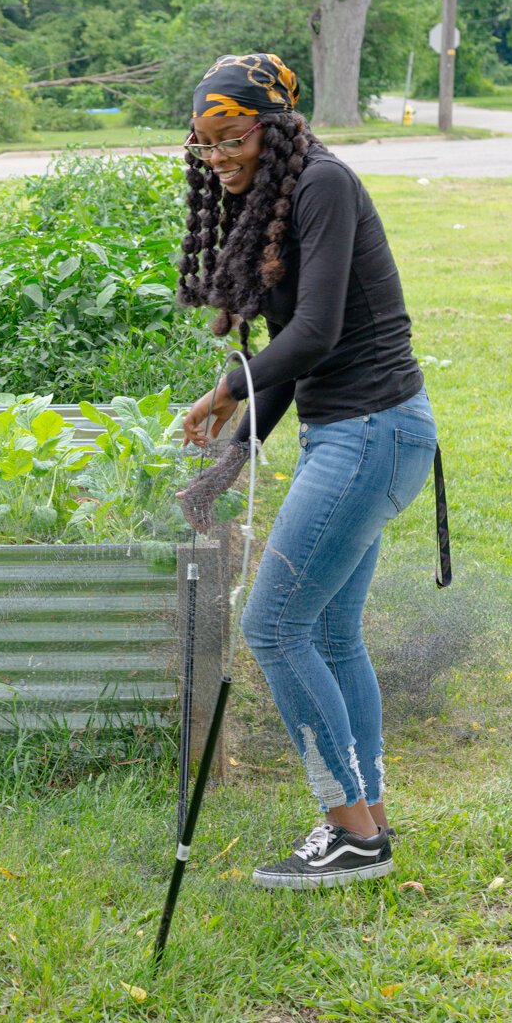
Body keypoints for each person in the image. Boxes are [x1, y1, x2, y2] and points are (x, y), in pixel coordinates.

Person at [173, 54, 438, 890]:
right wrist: (232, 458)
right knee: (326, 632)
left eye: (234, 134)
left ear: (275, 124)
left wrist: (224, 388)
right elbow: (290, 365)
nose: (218, 155)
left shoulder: (324, 184)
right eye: (205, 140)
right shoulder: (273, 198)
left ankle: (347, 831)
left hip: (372, 433)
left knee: (272, 626)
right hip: (361, 436)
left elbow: (316, 335)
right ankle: (369, 820)